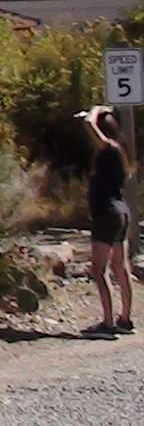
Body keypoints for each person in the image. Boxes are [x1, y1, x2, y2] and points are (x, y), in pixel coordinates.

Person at [79, 105, 134, 334]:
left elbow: (87, 124)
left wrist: (97, 109)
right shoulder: (121, 151)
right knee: (121, 268)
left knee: (99, 270)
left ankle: (108, 323)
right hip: (121, 211)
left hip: (106, 213)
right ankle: (125, 319)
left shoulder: (108, 147)